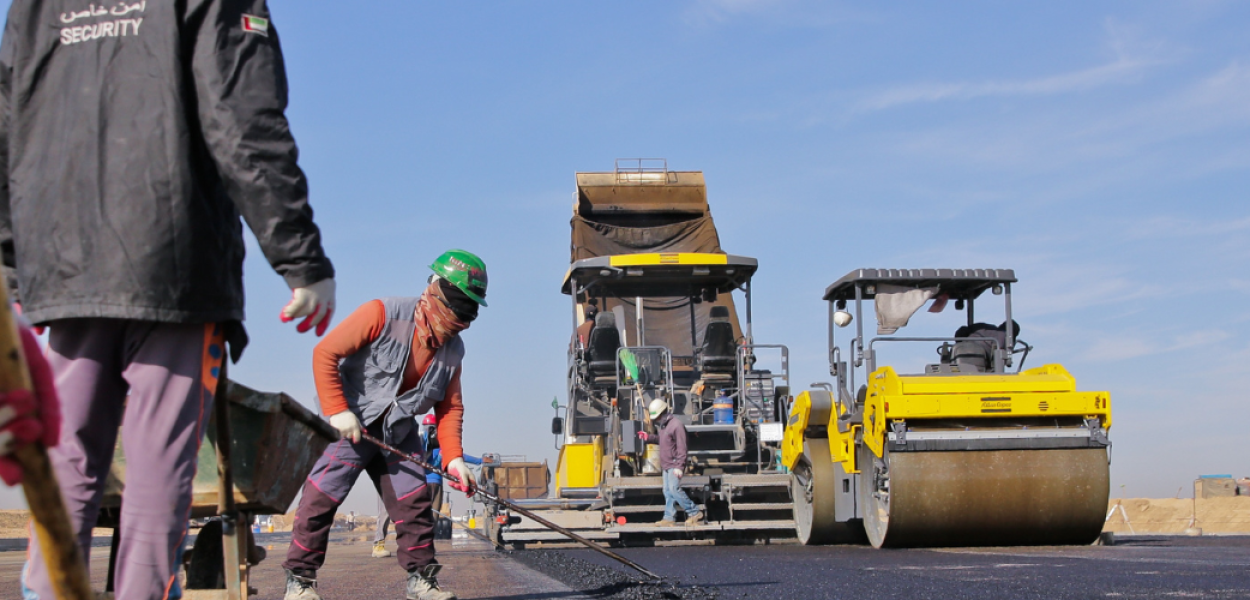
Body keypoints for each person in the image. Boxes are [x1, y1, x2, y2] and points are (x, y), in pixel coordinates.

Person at [0, 2, 336, 598]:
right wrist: (300, 255)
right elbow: (243, 119)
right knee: (158, 480)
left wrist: (11, 258)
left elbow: (9, 121)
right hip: (175, 267)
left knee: (68, 466)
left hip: (64, 264)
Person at [282, 250, 487, 600]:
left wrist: (453, 459)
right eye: (455, 304)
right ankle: (299, 582)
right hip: (349, 426)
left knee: (414, 504)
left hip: (398, 432)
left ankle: (423, 581)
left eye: (467, 310)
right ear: (434, 289)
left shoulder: (454, 351)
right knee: (320, 499)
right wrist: (337, 410)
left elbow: (449, 407)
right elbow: (325, 353)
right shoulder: (382, 313)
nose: (458, 317)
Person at [638, 399, 704, 527]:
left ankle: (694, 512)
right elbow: (662, 441)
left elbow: (682, 447)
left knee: (674, 489)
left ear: (662, 413)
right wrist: (648, 437)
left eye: (656, 417)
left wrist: (680, 466)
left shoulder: (676, 425)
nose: (655, 420)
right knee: (667, 491)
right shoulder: (664, 426)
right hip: (667, 465)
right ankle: (669, 517)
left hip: (674, 464)